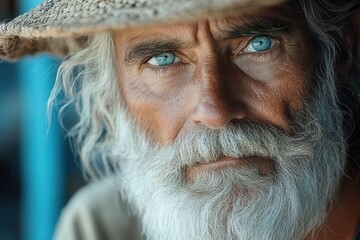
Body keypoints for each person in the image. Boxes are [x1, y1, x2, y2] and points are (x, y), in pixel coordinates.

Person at [1, 0, 359, 239]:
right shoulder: (101, 227)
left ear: (339, 50)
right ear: (115, 93)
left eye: (259, 44)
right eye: (162, 60)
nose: (215, 111)